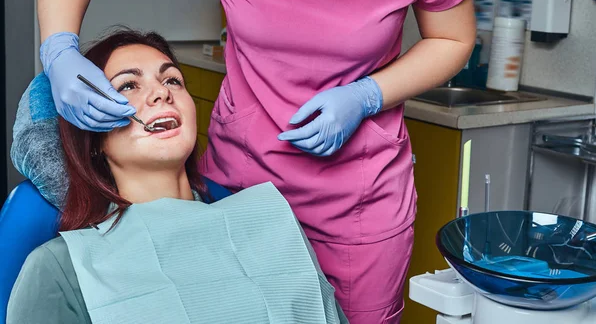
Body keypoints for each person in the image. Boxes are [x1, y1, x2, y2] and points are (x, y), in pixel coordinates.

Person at [36, 0, 476, 321]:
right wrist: (58, 50)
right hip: (238, 189)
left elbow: (452, 37)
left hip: (356, 207)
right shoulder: (60, 268)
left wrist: (368, 95)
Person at [7, 28, 347, 324]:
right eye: (128, 86)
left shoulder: (272, 225)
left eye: (172, 80)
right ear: (92, 140)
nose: (161, 93)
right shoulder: (60, 270)